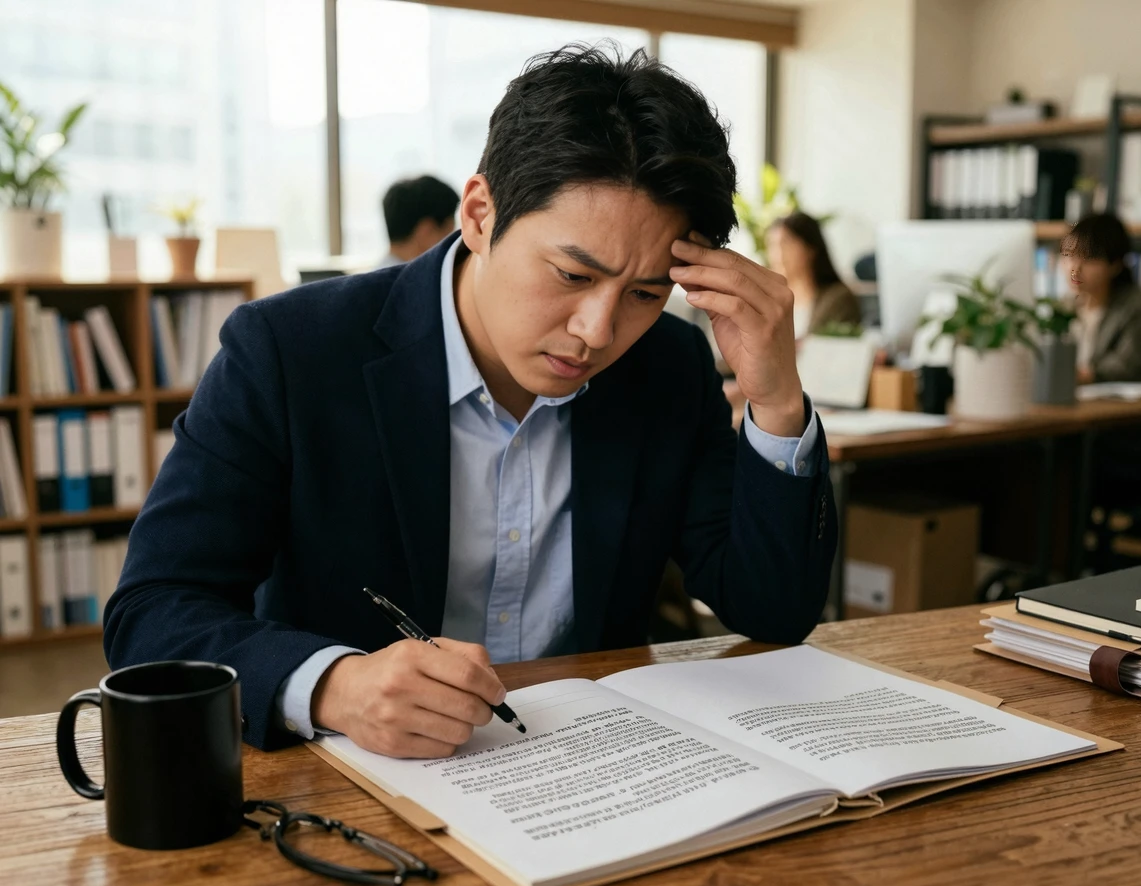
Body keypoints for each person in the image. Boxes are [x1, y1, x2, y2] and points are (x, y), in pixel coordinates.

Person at [104, 45, 836, 761]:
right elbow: (154, 610)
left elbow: (771, 611)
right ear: (480, 214)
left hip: (594, 765)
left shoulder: (666, 365)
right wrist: (335, 684)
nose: (599, 331)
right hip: (354, 780)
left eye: (647, 293)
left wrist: (774, 396)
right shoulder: (291, 351)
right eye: (573, 275)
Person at [1061, 213, 1141, 383]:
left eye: (1088, 259)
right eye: (1069, 255)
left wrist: (1084, 375)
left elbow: (1128, 365)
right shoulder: (1064, 306)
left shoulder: (1139, 306)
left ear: (1115, 265)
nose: (1075, 268)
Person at [768, 212, 861, 339]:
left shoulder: (838, 299)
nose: (779, 254)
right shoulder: (768, 301)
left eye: (786, 243)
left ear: (810, 249)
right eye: (772, 245)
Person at [381, 175, 460, 267]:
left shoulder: (374, 277)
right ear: (427, 231)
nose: (454, 245)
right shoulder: (417, 279)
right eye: (450, 234)